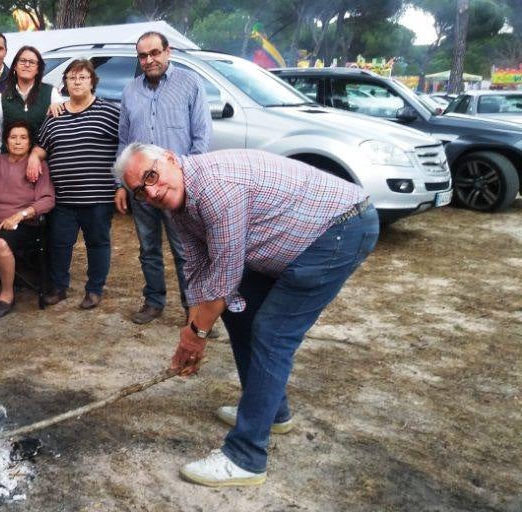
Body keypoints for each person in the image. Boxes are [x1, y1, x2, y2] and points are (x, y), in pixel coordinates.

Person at [114, 143, 379, 487]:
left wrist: (196, 336)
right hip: (302, 237)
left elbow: (225, 275)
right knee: (240, 314)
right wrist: (192, 331)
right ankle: (271, 412)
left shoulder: (216, 187)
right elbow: (197, 270)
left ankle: (246, 456)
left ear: (169, 159)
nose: (152, 191)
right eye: (140, 192)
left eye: (151, 176)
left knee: (271, 332)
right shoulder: (179, 205)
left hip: (340, 228)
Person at [117, 31, 212, 325]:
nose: (149, 60)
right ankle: (153, 301)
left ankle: (192, 308)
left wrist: (191, 180)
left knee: (187, 251)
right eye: (143, 56)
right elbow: (124, 141)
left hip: (175, 187)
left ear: (167, 51)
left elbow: (202, 135)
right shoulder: (130, 91)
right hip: (141, 190)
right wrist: (121, 185)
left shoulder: (190, 84)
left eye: (154, 53)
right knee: (148, 249)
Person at [28, 59, 120, 310]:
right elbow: (40, 148)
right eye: (72, 78)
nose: (77, 81)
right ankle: (59, 288)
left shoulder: (110, 112)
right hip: (63, 198)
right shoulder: (55, 115)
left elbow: (124, 148)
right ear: (65, 83)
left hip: (98, 198)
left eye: (82, 77)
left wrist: (121, 185)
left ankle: (94, 290)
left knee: (98, 244)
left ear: (92, 82)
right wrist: (34, 158)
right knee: (59, 244)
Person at [0, 122, 54, 318]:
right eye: (13, 137)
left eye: (23, 137)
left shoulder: (38, 166)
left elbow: (48, 199)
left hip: (23, 222)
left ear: (30, 142)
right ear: (6, 142)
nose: (17, 142)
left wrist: (21, 214)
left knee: (1, 242)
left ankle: (7, 294)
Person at [0, 46, 63, 158]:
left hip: (42, 164)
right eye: (23, 61)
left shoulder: (51, 93)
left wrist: (59, 105)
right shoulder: (2, 98)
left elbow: (61, 130)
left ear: (38, 69)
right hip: (11, 165)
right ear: (15, 66)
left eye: (32, 62)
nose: (27, 65)